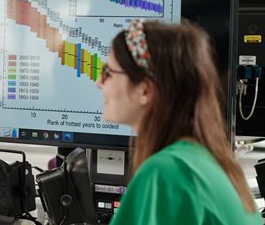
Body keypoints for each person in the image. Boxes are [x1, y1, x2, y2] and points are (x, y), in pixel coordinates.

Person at [96, 20, 261, 224]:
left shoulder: (167, 174)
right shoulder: (206, 162)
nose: (99, 83)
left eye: (108, 73)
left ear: (145, 90)